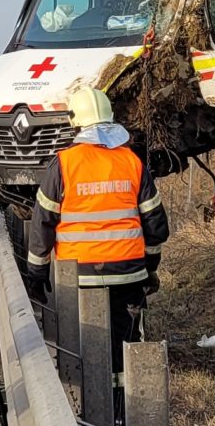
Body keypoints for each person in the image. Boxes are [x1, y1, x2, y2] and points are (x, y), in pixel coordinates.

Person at [25, 82, 168, 342]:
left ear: (74, 122)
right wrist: (149, 267)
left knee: (83, 348)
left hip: (78, 277)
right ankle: (122, 371)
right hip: (128, 273)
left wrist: (36, 274)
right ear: (110, 117)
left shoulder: (64, 164)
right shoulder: (131, 161)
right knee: (125, 344)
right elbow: (155, 225)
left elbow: (42, 223)